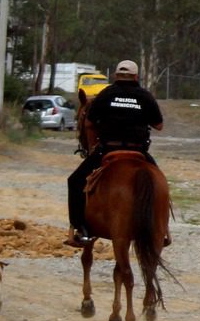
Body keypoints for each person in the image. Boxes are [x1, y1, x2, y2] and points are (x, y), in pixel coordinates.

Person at [65, 59, 164, 246]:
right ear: (136, 77)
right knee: (159, 183)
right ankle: (161, 229)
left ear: (116, 76)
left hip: (108, 149)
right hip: (138, 151)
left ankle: (81, 228)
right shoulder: (145, 96)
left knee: (75, 181)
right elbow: (158, 125)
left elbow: (89, 123)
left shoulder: (105, 95)